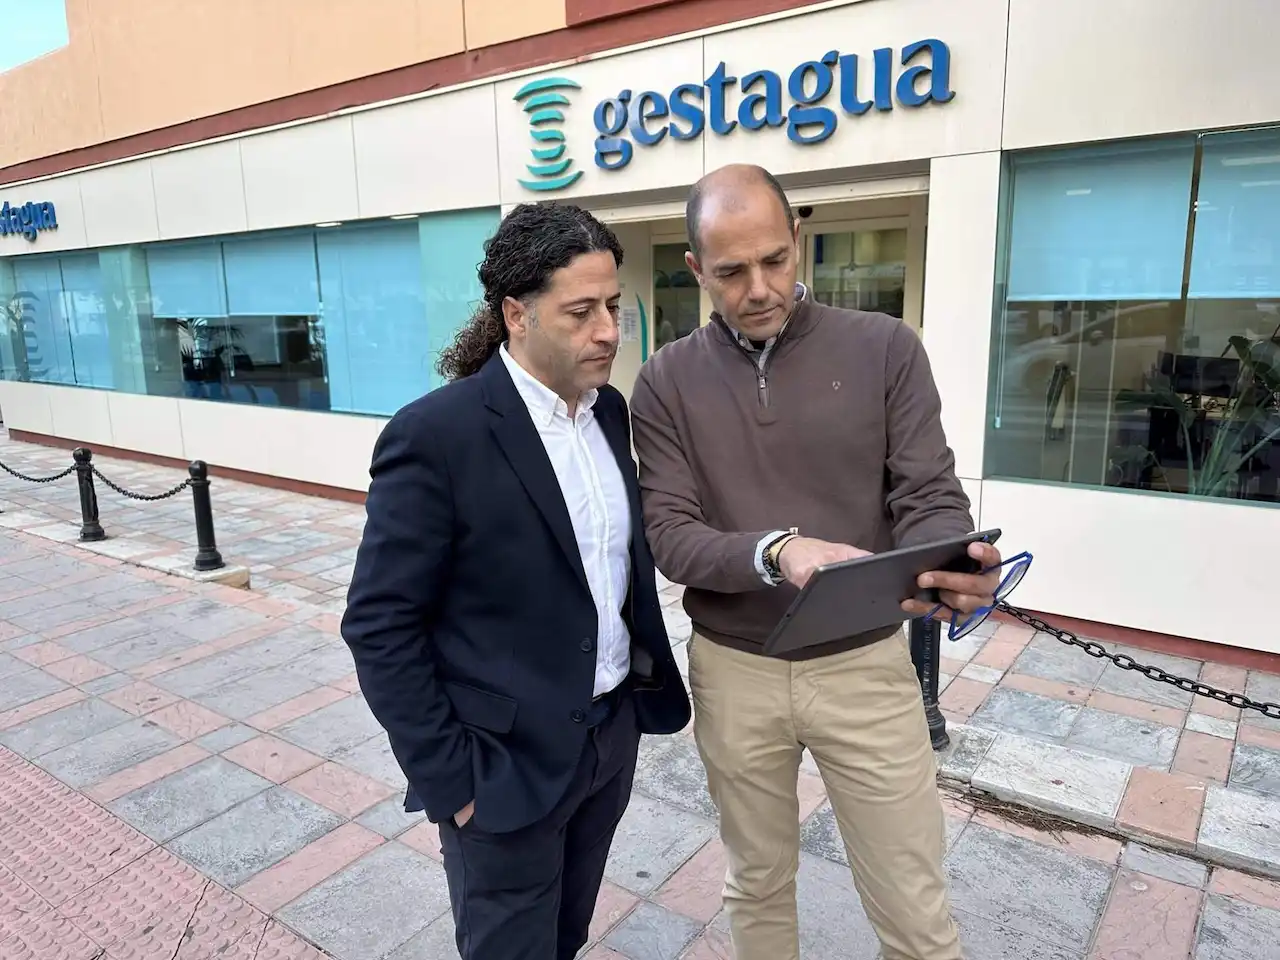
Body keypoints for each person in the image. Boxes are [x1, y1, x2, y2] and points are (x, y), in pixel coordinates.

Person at [629, 163, 1002, 960]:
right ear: (696, 269)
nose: (759, 287)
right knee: (757, 882)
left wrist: (952, 560)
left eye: (775, 260)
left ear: (798, 240)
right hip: (735, 670)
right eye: (730, 272)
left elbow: (929, 494)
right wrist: (777, 551)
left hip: (865, 666)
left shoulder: (886, 348)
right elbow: (670, 535)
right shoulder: (664, 381)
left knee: (913, 900)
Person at [342, 202, 691, 960]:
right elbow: (379, 625)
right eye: (581, 311)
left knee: (565, 937)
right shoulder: (436, 435)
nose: (608, 329)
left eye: (611, 305)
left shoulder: (609, 417)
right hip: (498, 771)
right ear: (516, 314)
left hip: (606, 744)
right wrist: (454, 785)